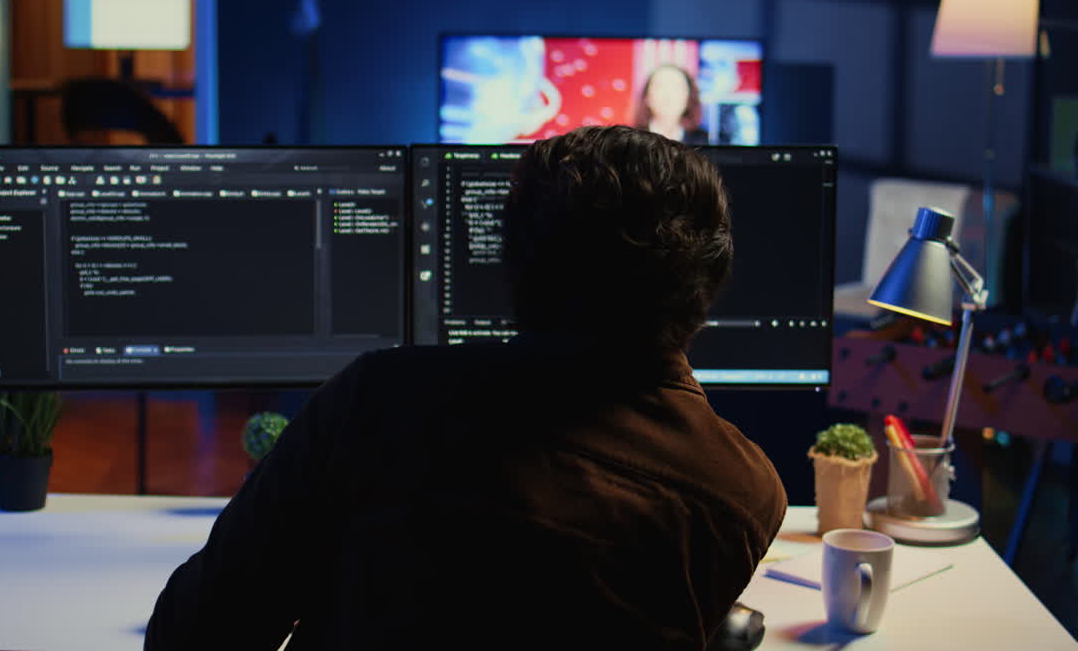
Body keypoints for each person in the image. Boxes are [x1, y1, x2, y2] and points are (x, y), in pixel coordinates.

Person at [145, 125, 787, 650]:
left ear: (512, 272)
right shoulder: (741, 494)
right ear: (712, 287)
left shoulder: (377, 402)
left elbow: (196, 634)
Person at [631, 64, 710, 145]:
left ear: (689, 97)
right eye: (660, 86)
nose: (668, 95)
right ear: (647, 97)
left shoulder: (706, 140)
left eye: (676, 87)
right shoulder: (631, 140)